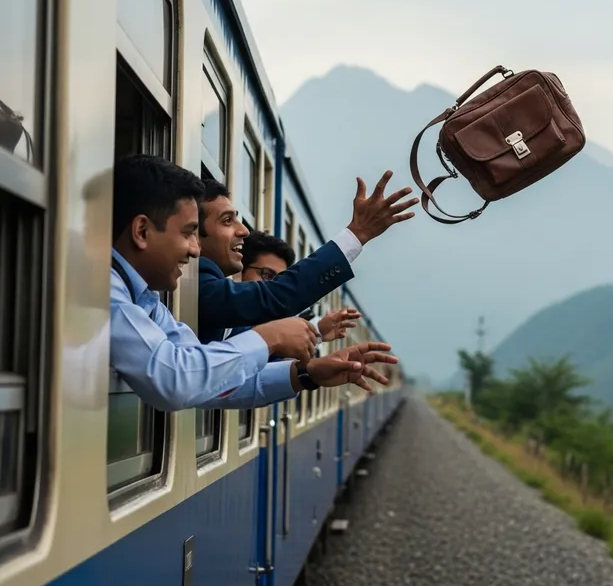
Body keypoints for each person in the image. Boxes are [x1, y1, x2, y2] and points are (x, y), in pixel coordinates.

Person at [109, 154, 397, 411]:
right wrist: (270, 337)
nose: (194, 250)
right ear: (142, 231)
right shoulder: (109, 298)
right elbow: (175, 379)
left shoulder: (147, 301)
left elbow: (205, 383)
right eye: (188, 234)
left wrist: (306, 375)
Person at [197, 171, 416, 342]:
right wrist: (357, 234)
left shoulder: (210, 291)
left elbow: (244, 350)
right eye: (227, 221)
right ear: (193, 234)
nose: (244, 231)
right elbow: (278, 297)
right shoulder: (199, 283)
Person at [215, 231, 361, 353]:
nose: (275, 287)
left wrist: (317, 331)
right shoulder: (221, 313)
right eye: (267, 275)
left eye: (279, 280)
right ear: (238, 273)